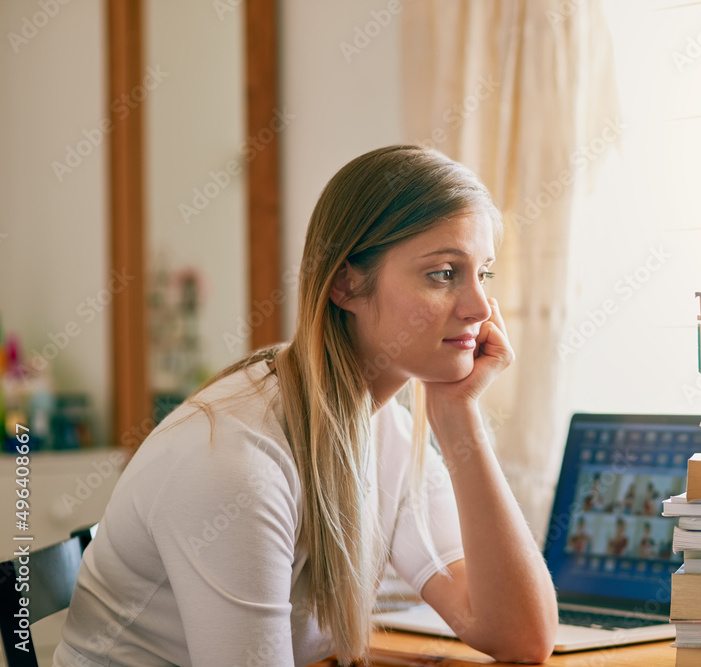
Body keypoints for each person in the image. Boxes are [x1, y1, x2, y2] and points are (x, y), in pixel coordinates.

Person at [53, 145, 558, 666]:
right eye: (443, 273)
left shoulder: (385, 429)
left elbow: (520, 636)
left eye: (484, 274)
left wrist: (460, 419)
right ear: (346, 283)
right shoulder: (236, 463)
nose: (478, 307)